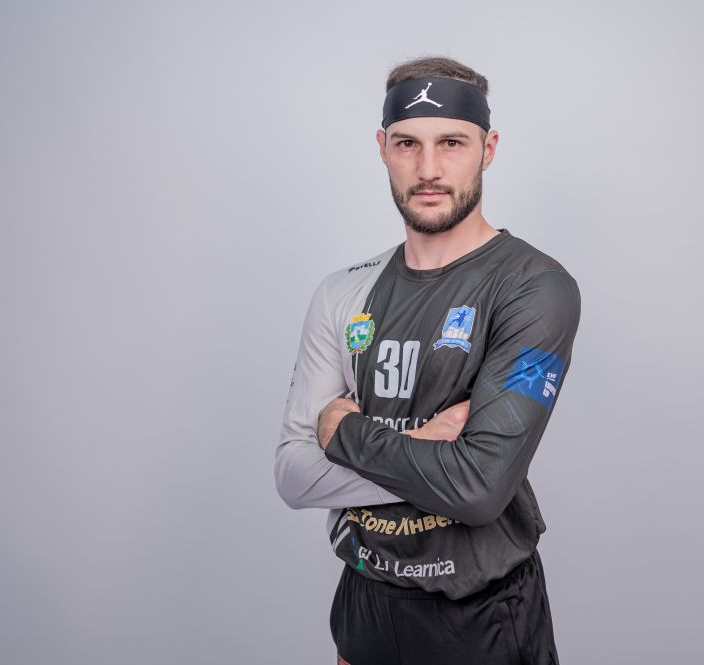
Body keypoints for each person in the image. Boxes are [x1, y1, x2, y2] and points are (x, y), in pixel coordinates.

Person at [275, 56, 580, 665]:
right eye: (407, 143)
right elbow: (293, 475)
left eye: (452, 143)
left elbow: (477, 489)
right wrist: (423, 445)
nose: (429, 169)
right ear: (382, 148)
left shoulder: (535, 287)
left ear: (488, 149)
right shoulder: (343, 292)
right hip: (364, 599)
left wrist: (342, 432)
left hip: (483, 615)